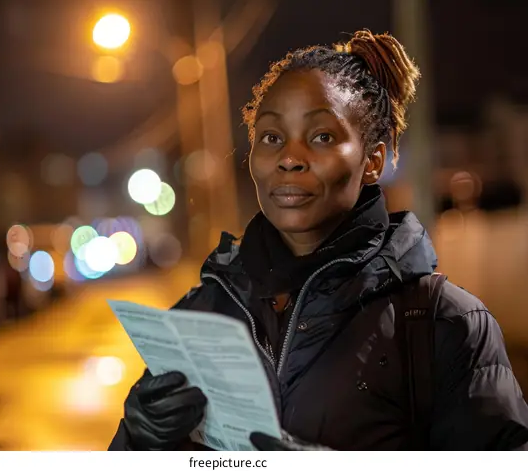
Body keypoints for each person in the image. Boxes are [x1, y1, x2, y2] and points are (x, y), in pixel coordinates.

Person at [108, 30, 528, 451]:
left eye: (322, 137)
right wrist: (139, 438)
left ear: (372, 161)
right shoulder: (198, 316)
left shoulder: (444, 323)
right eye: (271, 138)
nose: (289, 158)